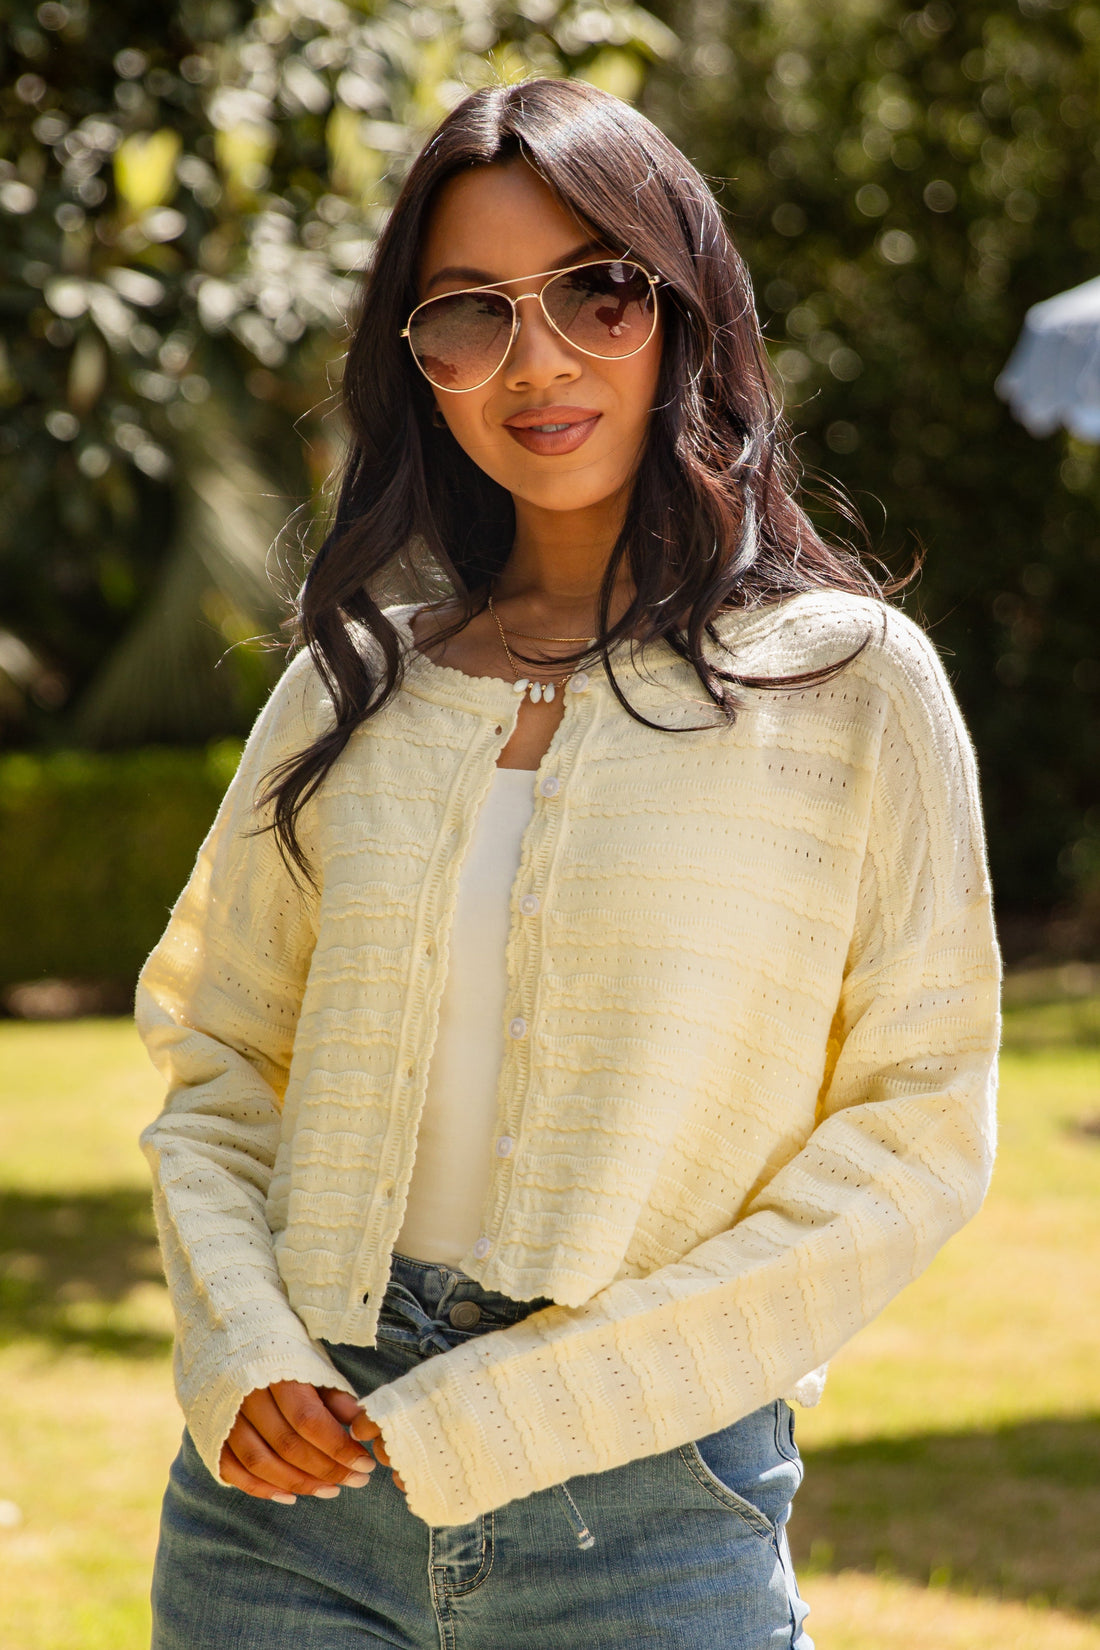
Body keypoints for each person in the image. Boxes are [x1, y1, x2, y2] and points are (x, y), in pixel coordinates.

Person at [136, 77, 1000, 1650]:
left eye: (595, 291)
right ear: (419, 367)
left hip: (647, 1507)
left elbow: (916, 1133)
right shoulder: (353, 683)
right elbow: (217, 1065)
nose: (536, 362)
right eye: (468, 314)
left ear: (684, 310)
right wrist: (242, 1349)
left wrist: (535, 1402)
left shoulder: (848, 687)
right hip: (285, 1504)